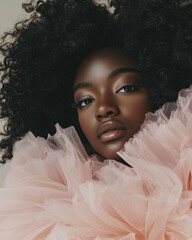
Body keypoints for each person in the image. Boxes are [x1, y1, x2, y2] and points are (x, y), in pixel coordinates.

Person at [0, 0, 192, 239]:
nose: (103, 109)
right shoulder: (47, 210)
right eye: (85, 101)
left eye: (125, 87)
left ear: (162, 84)